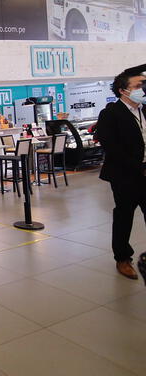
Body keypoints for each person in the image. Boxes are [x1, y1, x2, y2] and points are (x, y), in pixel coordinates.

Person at [96, 64, 146, 280]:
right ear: (123, 90)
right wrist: (139, 168)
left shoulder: (145, 110)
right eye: (139, 86)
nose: (143, 89)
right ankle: (123, 258)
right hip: (126, 175)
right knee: (124, 216)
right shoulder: (110, 114)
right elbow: (112, 148)